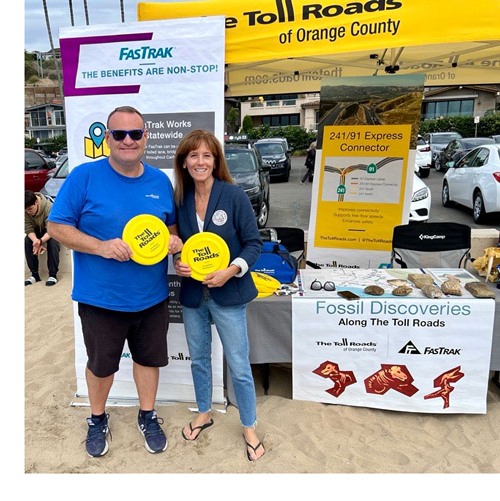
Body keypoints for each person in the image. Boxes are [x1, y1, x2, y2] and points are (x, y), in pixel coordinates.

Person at [47, 106, 183, 458]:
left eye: (135, 134)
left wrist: (173, 241)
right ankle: (96, 419)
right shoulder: (84, 177)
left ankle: (148, 415)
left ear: (145, 138)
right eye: (119, 134)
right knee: (101, 365)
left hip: (151, 296)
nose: (127, 140)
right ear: (107, 138)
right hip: (100, 297)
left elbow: (168, 228)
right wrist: (101, 247)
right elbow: (57, 227)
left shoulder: (159, 181)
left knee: (148, 360)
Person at [173, 130, 266, 462]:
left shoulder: (233, 195)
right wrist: (178, 263)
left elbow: (254, 244)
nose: (200, 161)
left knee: (239, 365)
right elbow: (180, 246)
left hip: (229, 293)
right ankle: (204, 411)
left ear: (216, 161)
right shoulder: (180, 199)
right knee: (199, 359)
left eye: (207, 156)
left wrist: (231, 270)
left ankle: (249, 426)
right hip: (194, 297)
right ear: (184, 162)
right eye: (194, 156)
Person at [25, 190, 60, 286]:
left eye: (30, 209)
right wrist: (36, 241)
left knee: (53, 241)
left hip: (52, 229)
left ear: (36, 202)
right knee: (27, 240)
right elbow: (28, 228)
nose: (28, 212)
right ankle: (34, 274)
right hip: (37, 230)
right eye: (26, 210)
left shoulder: (49, 208)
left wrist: (40, 241)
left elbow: (51, 230)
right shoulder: (25, 209)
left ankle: (53, 275)